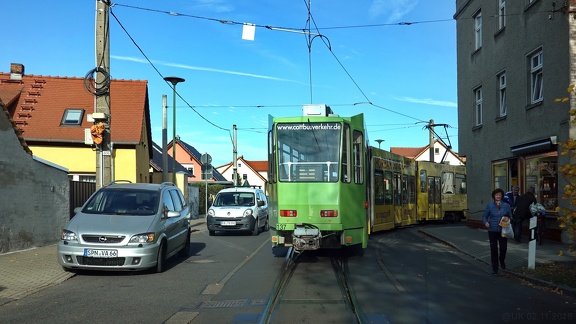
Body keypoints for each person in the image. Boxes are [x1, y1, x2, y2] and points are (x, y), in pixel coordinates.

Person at [482, 188, 513, 275]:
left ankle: (502, 260)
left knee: (503, 248)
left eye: (499, 195)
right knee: (493, 249)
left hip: (503, 230)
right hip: (492, 230)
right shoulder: (490, 206)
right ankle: (495, 269)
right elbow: (484, 216)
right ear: (494, 196)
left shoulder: (506, 206)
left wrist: (507, 220)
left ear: (502, 196)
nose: (498, 196)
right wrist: (486, 222)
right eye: (496, 195)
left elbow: (511, 216)